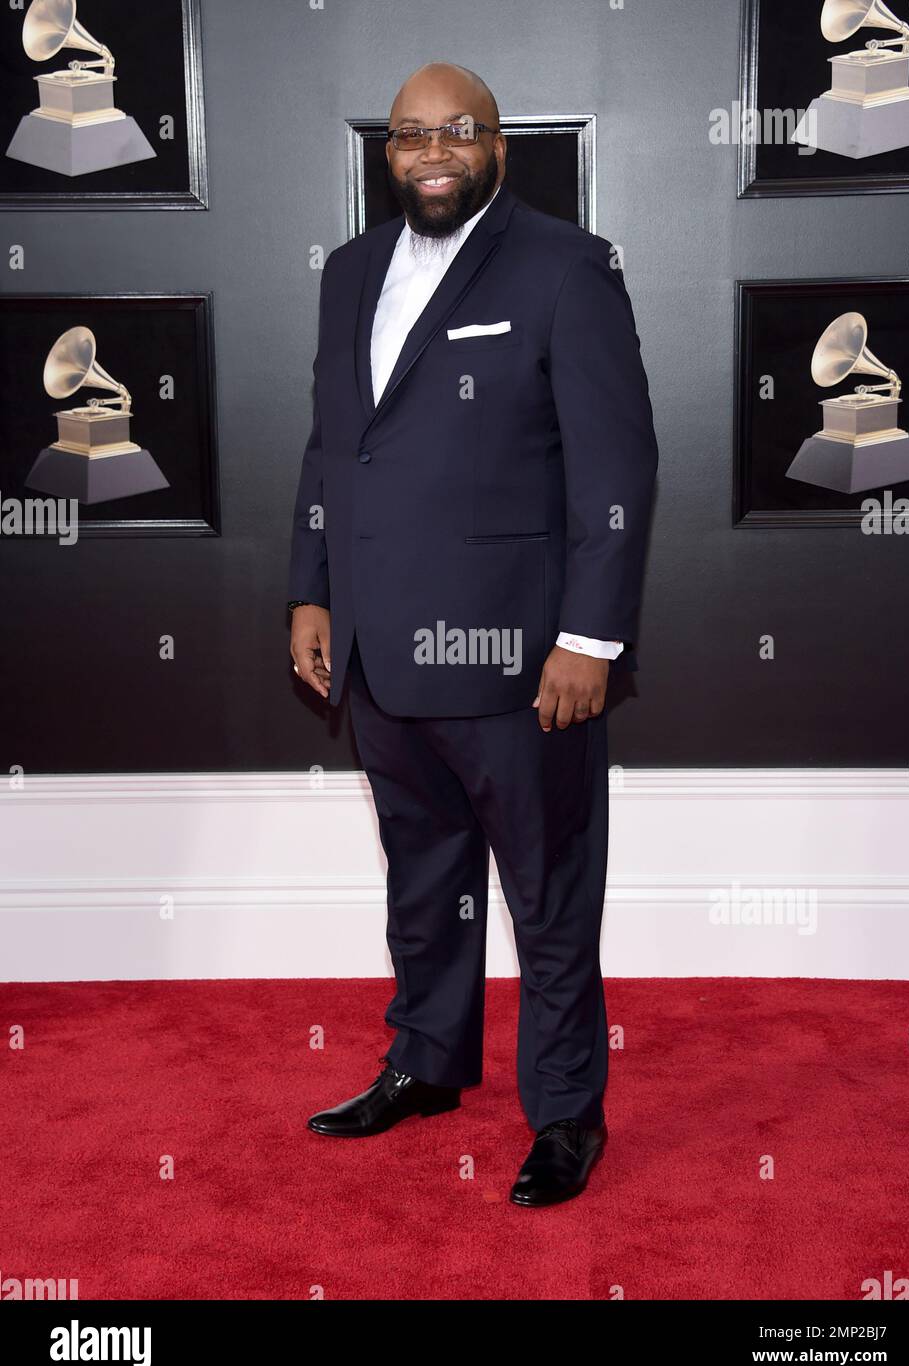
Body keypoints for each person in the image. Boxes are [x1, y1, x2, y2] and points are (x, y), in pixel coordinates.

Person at [287, 62, 658, 1206]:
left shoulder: (564, 264)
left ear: (498, 145)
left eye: (456, 131)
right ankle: (427, 1062)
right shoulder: (351, 271)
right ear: (387, 153)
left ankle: (566, 1112)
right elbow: (331, 445)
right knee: (422, 873)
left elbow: (616, 464)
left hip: (518, 659)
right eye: (410, 135)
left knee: (548, 894)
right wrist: (312, 589)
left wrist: (589, 640)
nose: (432, 152)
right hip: (377, 649)